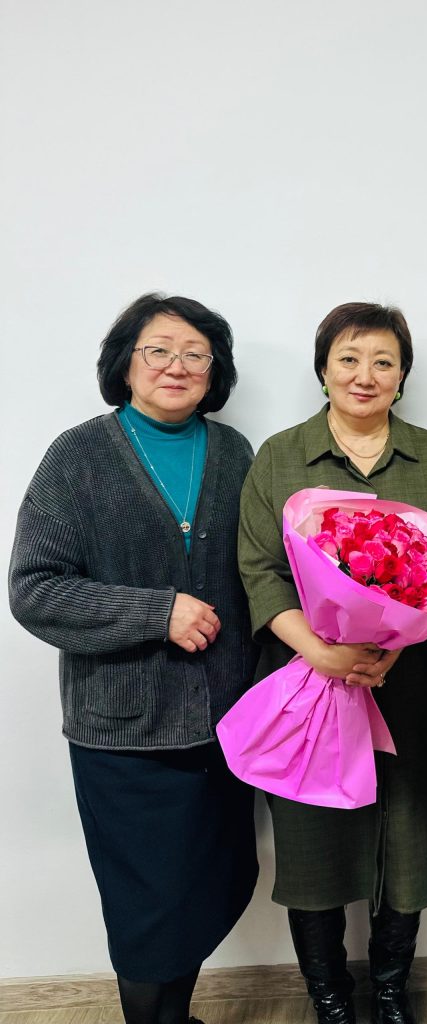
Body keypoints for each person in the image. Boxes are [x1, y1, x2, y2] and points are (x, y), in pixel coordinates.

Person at [9, 294, 259, 1024]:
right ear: (125, 363)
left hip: (226, 725)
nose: (176, 366)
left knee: (210, 887)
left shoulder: (236, 453)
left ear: (215, 371)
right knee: (148, 913)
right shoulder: (77, 456)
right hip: (124, 733)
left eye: (195, 354)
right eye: (158, 350)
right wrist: (157, 612)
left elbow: (263, 573)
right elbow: (34, 590)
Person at [238, 302, 427, 1024]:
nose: (365, 375)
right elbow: (260, 570)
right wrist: (325, 653)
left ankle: (391, 991)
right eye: (349, 359)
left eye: (383, 362)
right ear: (324, 369)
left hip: (409, 685)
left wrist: (390, 647)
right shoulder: (280, 456)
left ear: (401, 376)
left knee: (408, 839)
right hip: (309, 688)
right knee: (314, 847)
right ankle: (330, 999)